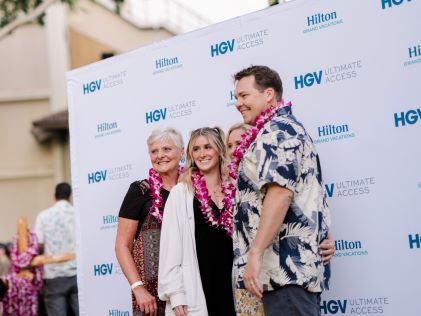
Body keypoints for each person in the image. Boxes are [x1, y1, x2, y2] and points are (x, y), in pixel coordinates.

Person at [231, 65, 331, 316]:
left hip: (284, 273)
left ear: (268, 94)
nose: (238, 103)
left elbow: (281, 193)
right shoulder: (284, 129)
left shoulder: (277, 131)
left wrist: (255, 253)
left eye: (244, 96)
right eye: (236, 98)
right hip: (285, 276)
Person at [158, 127, 236, 316]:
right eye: (196, 149)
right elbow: (170, 248)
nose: (202, 154)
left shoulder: (234, 190)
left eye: (207, 147)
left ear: (219, 150)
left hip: (231, 284)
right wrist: (176, 295)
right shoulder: (181, 193)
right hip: (197, 288)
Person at [116, 127, 185, 316]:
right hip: (150, 295)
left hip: (189, 284)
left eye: (166, 149)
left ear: (182, 152)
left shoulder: (193, 188)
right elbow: (122, 245)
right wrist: (138, 288)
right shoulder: (140, 191)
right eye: (154, 151)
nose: (160, 155)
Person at [34, 182, 78, 316]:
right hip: (77, 272)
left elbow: (38, 244)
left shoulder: (43, 216)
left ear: (54, 196)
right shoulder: (78, 214)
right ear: (70, 196)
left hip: (53, 275)